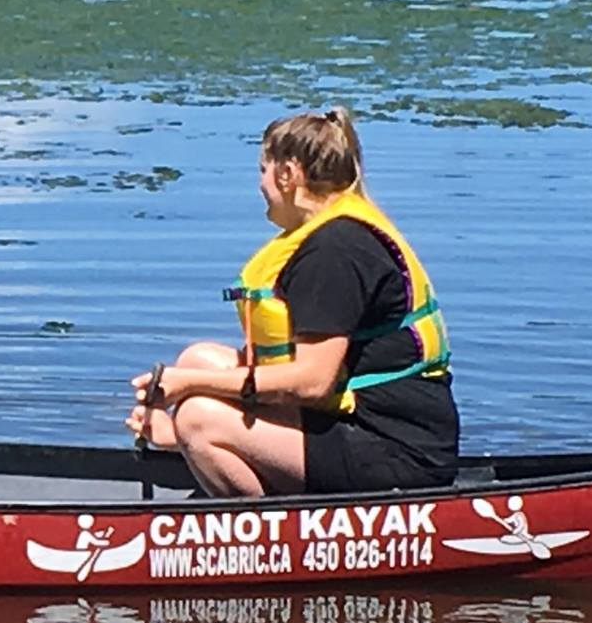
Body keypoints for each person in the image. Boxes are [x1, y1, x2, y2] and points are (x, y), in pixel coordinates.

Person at [126, 108, 457, 497]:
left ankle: (263, 537)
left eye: (262, 171)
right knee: (199, 357)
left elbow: (313, 383)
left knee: (198, 418)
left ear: (287, 174)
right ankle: (205, 453)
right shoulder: (330, 234)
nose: (260, 185)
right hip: (357, 422)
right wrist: (185, 398)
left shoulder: (334, 252)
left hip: (395, 450)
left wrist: (190, 388)